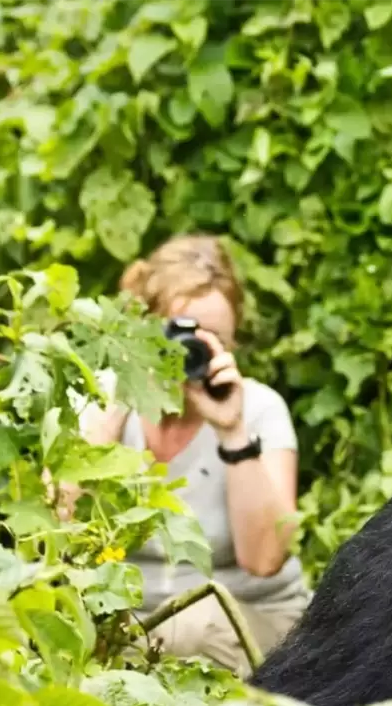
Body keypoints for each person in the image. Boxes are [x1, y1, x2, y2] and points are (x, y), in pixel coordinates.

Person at [76, 234, 310, 678]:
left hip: (246, 618)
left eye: (212, 338)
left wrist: (232, 432)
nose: (190, 353)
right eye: (179, 333)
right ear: (144, 328)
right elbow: (56, 529)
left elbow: (265, 560)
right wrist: (121, 403)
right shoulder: (97, 399)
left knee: (192, 630)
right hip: (125, 622)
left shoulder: (258, 410)